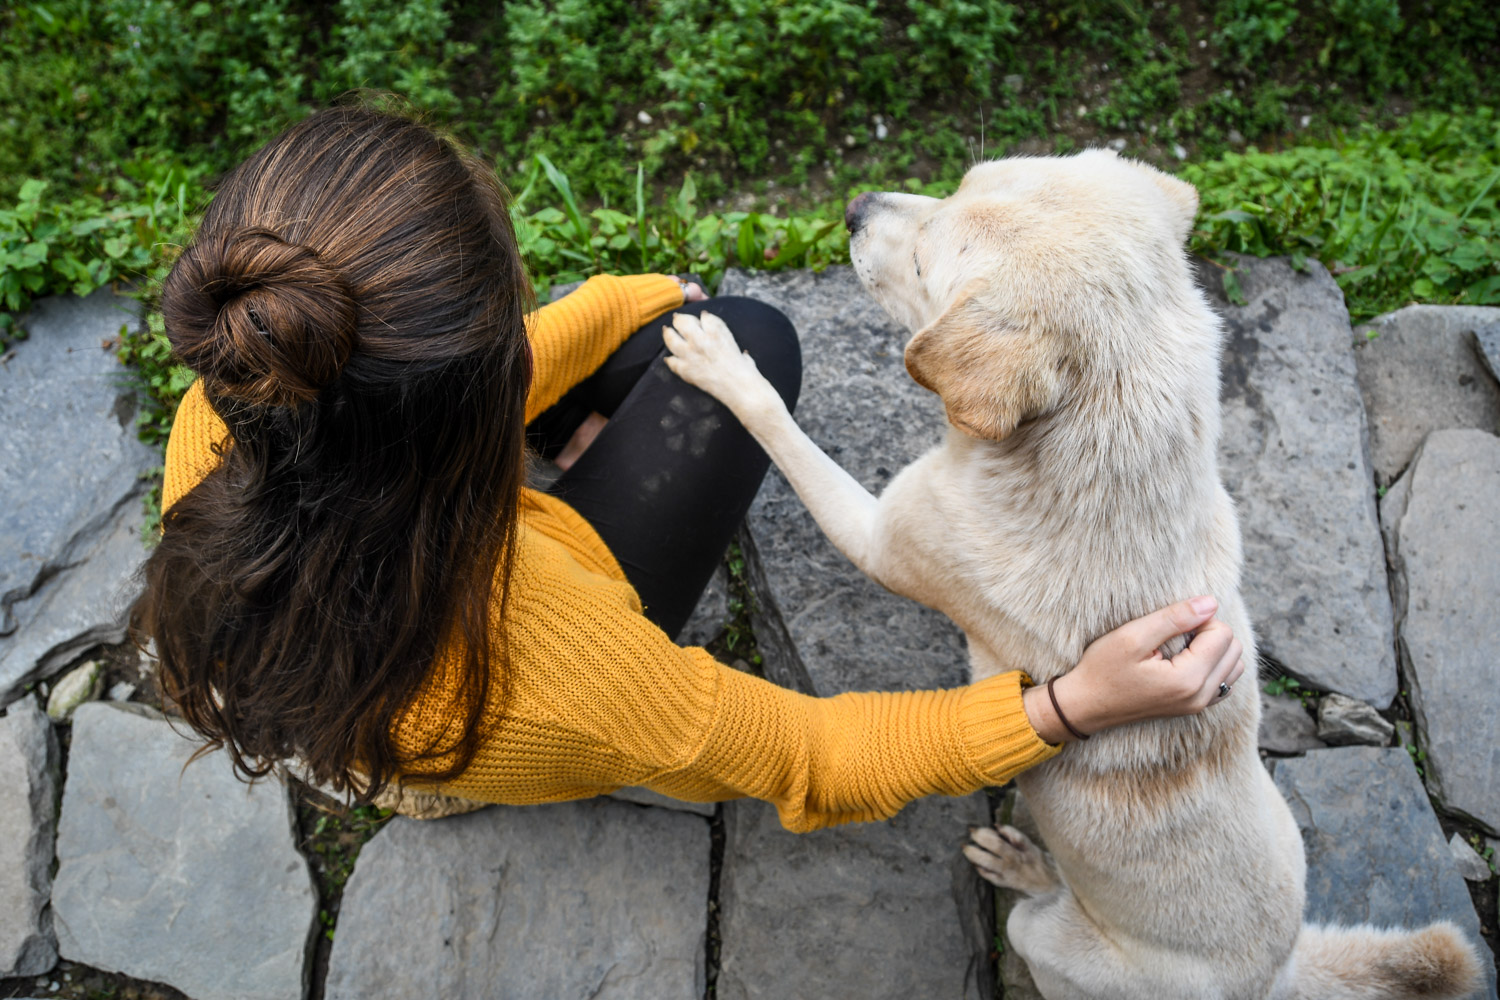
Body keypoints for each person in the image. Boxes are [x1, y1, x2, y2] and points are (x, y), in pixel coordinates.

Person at [134, 106, 1245, 833]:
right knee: (752, 341)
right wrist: (1063, 704)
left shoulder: (228, 402)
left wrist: (634, 296)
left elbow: (451, 385)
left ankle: (574, 431)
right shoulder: (576, 670)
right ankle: (562, 479)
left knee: (681, 332)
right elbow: (814, 754)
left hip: (402, 611)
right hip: (488, 686)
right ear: (478, 414)